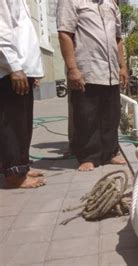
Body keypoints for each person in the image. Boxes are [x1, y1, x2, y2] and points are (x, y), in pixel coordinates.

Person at [57, 0, 129, 171]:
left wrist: (123, 66)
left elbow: (118, 38)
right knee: (86, 116)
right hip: (87, 70)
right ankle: (89, 156)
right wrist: (73, 68)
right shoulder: (71, 2)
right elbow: (65, 34)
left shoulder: (111, 5)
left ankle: (110, 153)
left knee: (111, 115)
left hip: (110, 72)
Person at [0, 0, 47, 188]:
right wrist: (15, 68)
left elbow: (22, 34)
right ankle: (14, 175)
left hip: (22, 69)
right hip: (11, 70)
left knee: (23, 123)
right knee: (12, 124)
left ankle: (21, 167)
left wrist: (31, 70)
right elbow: (2, 32)